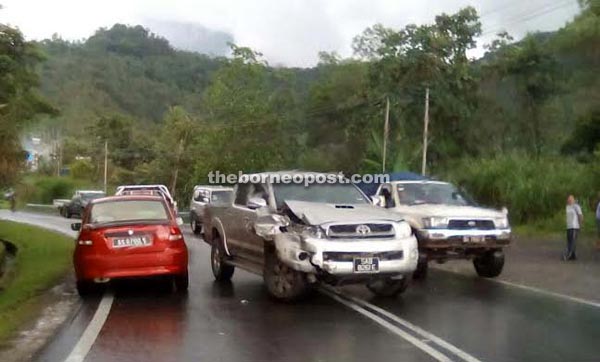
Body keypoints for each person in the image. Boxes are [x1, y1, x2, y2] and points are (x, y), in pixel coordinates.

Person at [564, 195, 583, 261]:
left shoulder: (576, 206)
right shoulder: (567, 206)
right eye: (568, 199)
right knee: (569, 241)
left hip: (574, 226)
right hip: (568, 226)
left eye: (570, 199)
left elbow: (580, 216)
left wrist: (580, 225)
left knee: (573, 241)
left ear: (573, 200)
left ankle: (569, 255)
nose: (569, 200)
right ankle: (573, 255)